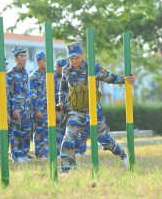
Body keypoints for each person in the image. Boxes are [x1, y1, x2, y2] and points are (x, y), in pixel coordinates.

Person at [58, 42, 135, 173]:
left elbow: (110, 77)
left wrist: (125, 79)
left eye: (76, 57)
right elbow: (63, 87)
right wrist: (61, 101)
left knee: (105, 141)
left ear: (82, 54)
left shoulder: (93, 68)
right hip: (76, 112)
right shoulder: (66, 70)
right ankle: (67, 170)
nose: (74, 61)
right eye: (71, 58)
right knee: (68, 138)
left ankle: (122, 154)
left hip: (94, 111)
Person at [7, 46, 32, 162]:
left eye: (25, 56)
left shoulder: (25, 73)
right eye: (21, 56)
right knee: (16, 132)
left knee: (26, 131)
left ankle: (24, 154)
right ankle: (16, 155)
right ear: (15, 58)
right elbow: (9, 93)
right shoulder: (11, 74)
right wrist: (13, 109)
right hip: (17, 108)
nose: (24, 58)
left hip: (26, 107)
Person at [29, 51, 49, 159]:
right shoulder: (33, 76)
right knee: (39, 132)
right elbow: (32, 94)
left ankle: (46, 152)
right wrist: (37, 110)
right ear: (38, 62)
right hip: (39, 109)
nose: (46, 63)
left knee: (47, 132)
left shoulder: (49, 75)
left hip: (48, 108)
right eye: (44, 61)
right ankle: (40, 154)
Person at [54, 58, 68, 156]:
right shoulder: (51, 78)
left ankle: (63, 152)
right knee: (56, 132)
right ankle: (56, 152)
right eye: (63, 67)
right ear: (57, 67)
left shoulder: (64, 77)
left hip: (65, 110)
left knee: (64, 132)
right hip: (55, 110)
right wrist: (55, 112)